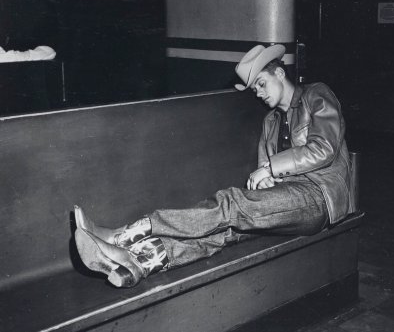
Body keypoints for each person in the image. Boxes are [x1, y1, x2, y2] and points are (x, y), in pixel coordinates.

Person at [74, 44, 352, 288]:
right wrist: (267, 177)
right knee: (225, 231)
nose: (258, 93)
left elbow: (324, 149)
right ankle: (139, 262)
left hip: (319, 197)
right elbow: (264, 179)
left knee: (230, 204)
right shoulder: (270, 123)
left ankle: (124, 234)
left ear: (279, 73)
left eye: (262, 84)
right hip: (286, 203)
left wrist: (270, 169)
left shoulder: (317, 95)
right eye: (254, 89)